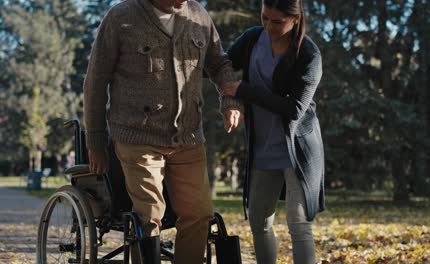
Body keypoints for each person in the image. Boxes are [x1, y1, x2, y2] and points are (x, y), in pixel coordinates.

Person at [82, 0, 243, 263]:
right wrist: (96, 141)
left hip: (188, 137)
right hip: (137, 138)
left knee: (199, 214)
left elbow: (220, 64)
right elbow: (95, 82)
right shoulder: (121, 18)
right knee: (149, 215)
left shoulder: (198, 16)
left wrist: (231, 101)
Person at [222, 0, 325, 263]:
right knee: (258, 219)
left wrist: (245, 91)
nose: (268, 26)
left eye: (276, 21)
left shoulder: (309, 55)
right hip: (263, 146)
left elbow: (294, 108)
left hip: (297, 149)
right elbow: (223, 65)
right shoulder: (252, 39)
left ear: (295, 18)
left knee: (298, 223)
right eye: (265, 17)